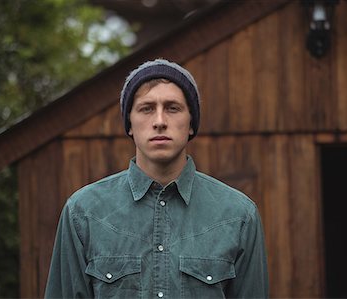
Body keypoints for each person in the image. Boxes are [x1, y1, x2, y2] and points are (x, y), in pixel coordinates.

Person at [44, 59, 269, 298]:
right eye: (146, 108)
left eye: (173, 108)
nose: (160, 121)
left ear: (191, 123)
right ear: (129, 123)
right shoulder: (83, 213)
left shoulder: (239, 216)